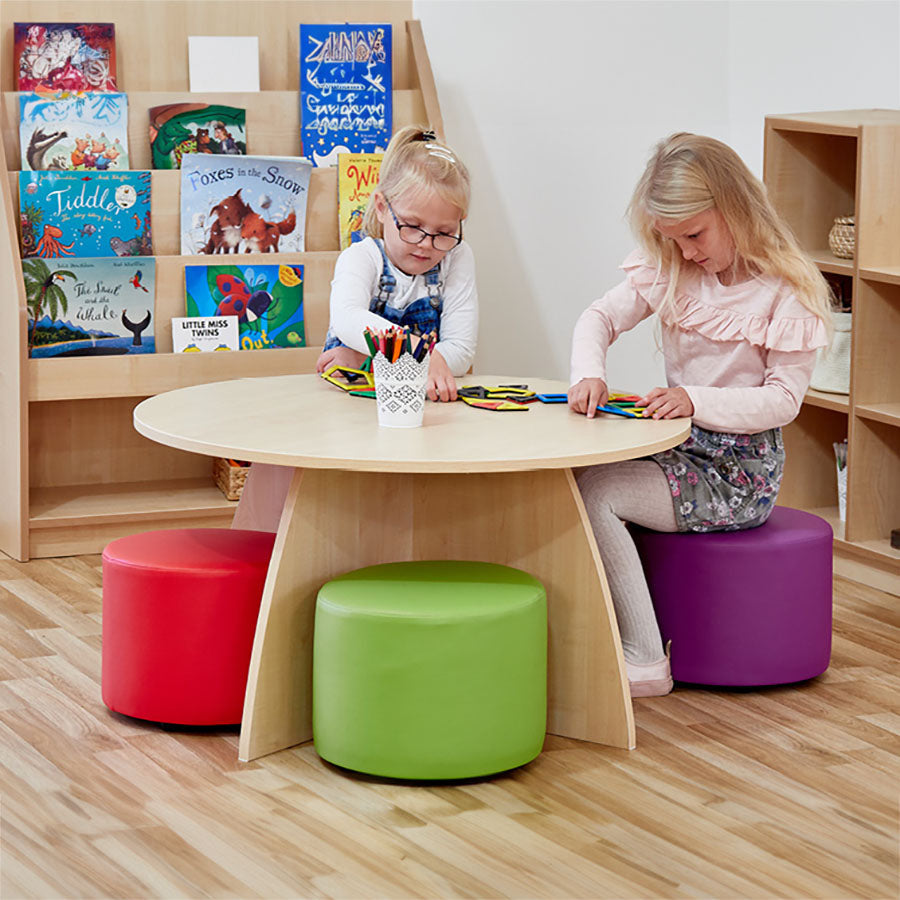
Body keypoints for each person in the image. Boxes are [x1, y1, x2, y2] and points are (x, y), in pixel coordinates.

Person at [568, 132, 833, 697]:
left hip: (738, 472)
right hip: (677, 447)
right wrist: (587, 372)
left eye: (695, 234)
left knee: (599, 494)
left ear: (734, 206)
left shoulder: (786, 293)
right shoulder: (673, 268)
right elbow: (598, 317)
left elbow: (783, 401)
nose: (686, 251)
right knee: (567, 475)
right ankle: (591, 631)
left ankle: (642, 658)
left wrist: (695, 400)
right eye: (674, 238)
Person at [316, 126, 477, 401]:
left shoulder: (457, 256)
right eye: (412, 226)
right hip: (352, 407)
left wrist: (365, 361)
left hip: (426, 409)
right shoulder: (361, 257)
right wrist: (420, 355)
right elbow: (347, 319)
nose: (426, 243)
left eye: (444, 233)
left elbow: (461, 352)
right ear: (381, 207)